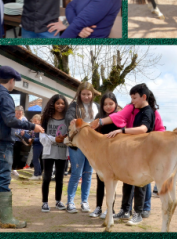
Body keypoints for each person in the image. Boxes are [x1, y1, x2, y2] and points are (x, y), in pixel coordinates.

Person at [0, 66, 45, 229]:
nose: (14, 85)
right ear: (11, 80)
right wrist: (33, 126)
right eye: (14, 82)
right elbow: (10, 121)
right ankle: (6, 219)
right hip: (2, 142)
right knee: (3, 178)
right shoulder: (4, 96)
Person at [105, 83, 159, 226]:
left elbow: (143, 129)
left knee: (140, 184)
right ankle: (124, 210)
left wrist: (122, 131)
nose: (132, 101)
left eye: (134, 98)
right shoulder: (137, 111)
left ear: (144, 97)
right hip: (132, 153)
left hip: (142, 155)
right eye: (131, 98)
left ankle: (138, 213)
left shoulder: (148, 111)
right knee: (127, 181)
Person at [64, 82, 99, 214]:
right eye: (83, 94)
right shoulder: (74, 105)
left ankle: (84, 201)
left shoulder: (97, 107)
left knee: (88, 174)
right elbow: (68, 117)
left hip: (92, 145)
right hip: (77, 144)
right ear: (79, 94)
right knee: (76, 173)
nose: (86, 97)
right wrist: (71, 120)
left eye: (88, 94)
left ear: (92, 94)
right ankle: (70, 202)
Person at [88, 92, 121, 219]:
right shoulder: (98, 117)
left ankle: (110, 209)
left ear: (115, 104)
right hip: (101, 155)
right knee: (100, 181)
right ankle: (98, 207)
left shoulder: (119, 117)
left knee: (112, 183)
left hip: (114, 155)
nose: (108, 106)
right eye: (105, 104)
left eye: (111, 104)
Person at [39, 95, 69, 213]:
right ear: (53, 104)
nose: (60, 105)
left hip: (62, 151)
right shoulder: (46, 119)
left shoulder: (67, 119)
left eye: (62, 103)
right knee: (46, 177)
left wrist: (64, 138)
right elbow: (42, 136)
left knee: (60, 178)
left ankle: (58, 200)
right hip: (48, 151)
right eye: (58, 103)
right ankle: (45, 202)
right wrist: (54, 139)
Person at [28, 114, 43, 181]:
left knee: (35, 160)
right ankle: (39, 174)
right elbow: (31, 136)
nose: (34, 123)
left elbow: (41, 138)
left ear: (39, 121)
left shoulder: (40, 127)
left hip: (38, 145)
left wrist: (33, 140)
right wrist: (25, 135)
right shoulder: (34, 128)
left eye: (35, 121)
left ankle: (36, 174)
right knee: (36, 160)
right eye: (33, 121)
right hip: (35, 145)